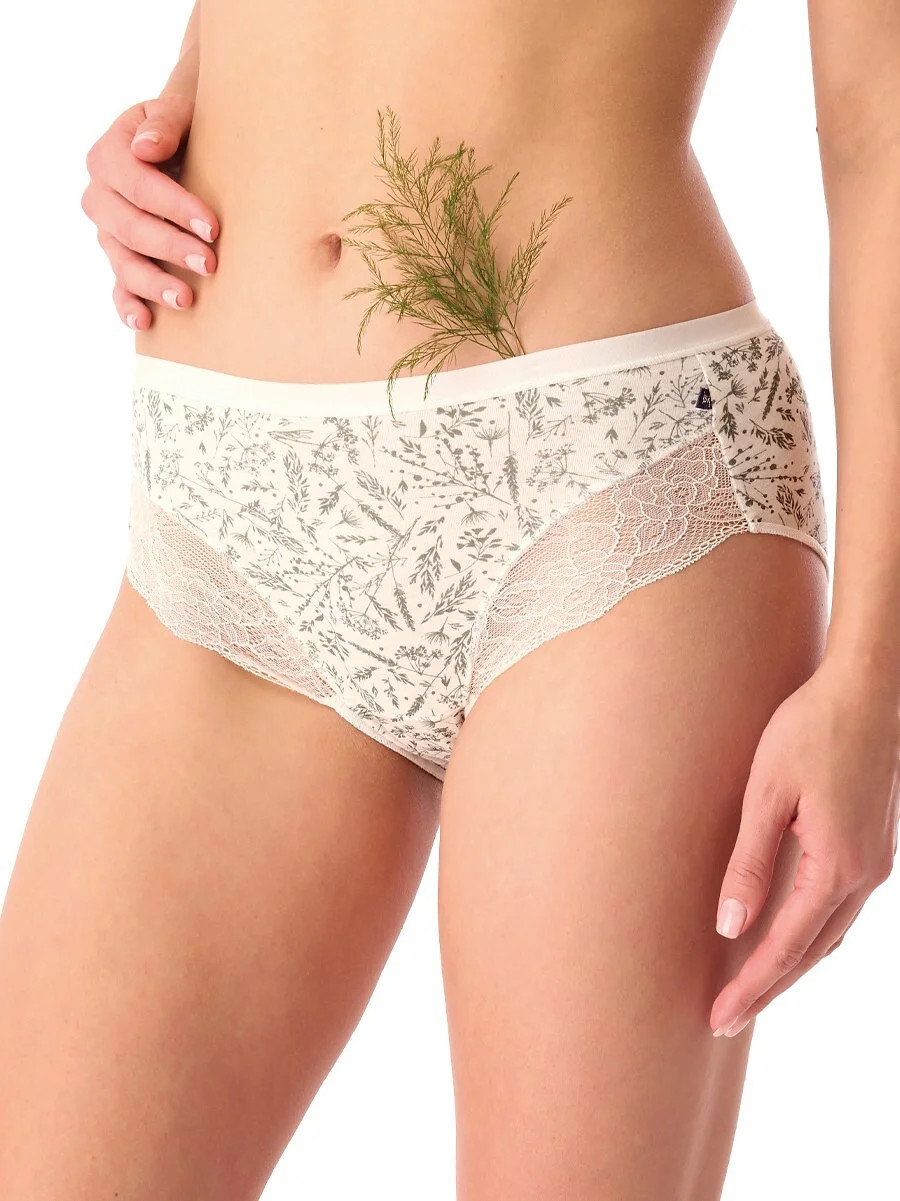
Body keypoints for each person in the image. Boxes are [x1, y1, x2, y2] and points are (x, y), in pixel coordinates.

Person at [2, 1, 898, 1197]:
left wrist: (873, 680)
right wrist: (179, 107)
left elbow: (882, 123)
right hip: (223, 500)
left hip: (611, 480)